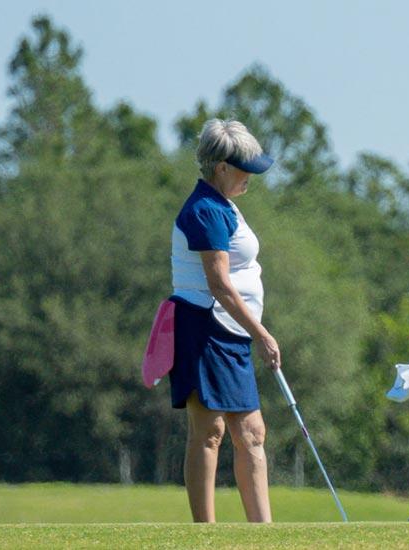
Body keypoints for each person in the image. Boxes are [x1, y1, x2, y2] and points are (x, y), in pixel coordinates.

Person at [168, 119, 282, 523]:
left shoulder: (225, 205)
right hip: (205, 328)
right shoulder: (205, 210)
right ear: (220, 167)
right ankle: (206, 534)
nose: (251, 176)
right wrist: (263, 334)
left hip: (230, 333)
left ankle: (263, 532)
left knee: (252, 433)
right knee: (209, 431)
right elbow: (219, 285)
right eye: (244, 168)